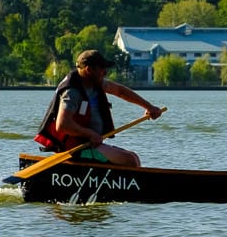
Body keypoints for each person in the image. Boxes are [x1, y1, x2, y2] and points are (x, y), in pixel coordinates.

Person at [33, 47, 164, 166]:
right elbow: (62, 125)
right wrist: (90, 134)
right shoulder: (72, 92)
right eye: (101, 69)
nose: (105, 72)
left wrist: (149, 107)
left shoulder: (95, 83)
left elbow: (120, 91)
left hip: (89, 144)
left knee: (133, 157)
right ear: (89, 70)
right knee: (130, 160)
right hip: (76, 148)